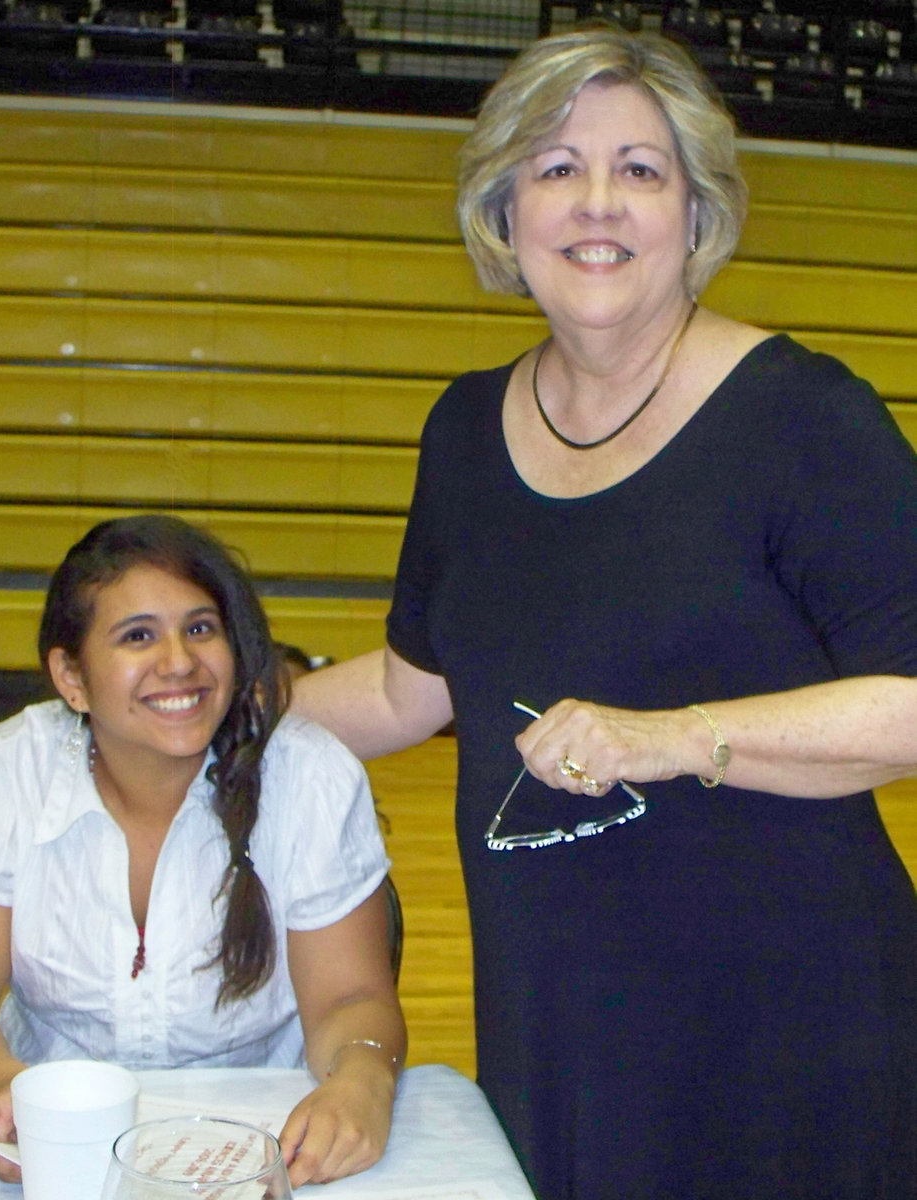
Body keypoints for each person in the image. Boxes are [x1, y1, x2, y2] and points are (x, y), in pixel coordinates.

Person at [291, 25, 917, 1200]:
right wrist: (205, 713)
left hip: (788, 1029)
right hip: (561, 1022)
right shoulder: (465, 431)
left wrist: (675, 737)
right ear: (504, 210)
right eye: (556, 166)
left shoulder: (803, 418)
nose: (596, 202)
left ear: (695, 214)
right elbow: (407, 688)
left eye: (640, 169)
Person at [0, 514, 406, 1190]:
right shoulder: (2, 772)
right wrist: (16, 1097)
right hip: (57, 1152)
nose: (179, 661)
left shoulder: (311, 776)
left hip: (264, 1143)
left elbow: (351, 998)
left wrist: (362, 1080)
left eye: (200, 629)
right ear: (70, 677)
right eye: (138, 636)